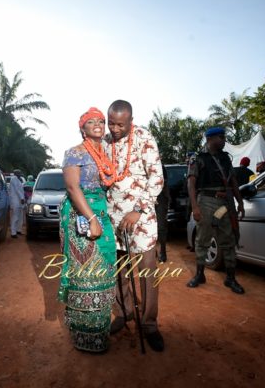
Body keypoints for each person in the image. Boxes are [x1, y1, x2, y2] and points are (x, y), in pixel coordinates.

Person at [104, 99, 165, 352]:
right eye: (111, 123)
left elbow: (157, 178)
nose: (115, 129)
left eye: (120, 124)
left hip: (142, 218)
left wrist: (137, 210)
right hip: (113, 219)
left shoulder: (145, 137)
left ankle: (149, 323)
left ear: (131, 120)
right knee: (120, 271)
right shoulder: (105, 142)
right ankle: (124, 312)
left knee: (147, 273)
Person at [58, 107, 116, 352]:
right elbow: (73, 188)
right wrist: (91, 217)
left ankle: (100, 333)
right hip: (80, 215)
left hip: (102, 211)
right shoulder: (74, 153)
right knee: (83, 274)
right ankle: (82, 336)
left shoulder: (107, 154)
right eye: (91, 122)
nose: (97, 124)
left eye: (101, 121)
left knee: (105, 269)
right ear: (82, 128)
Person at [187, 126, 246, 294]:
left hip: (225, 203)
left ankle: (230, 278)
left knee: (228, 239)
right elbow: (191, 183)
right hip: (205, 200)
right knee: (203, 238)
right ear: (210, 139)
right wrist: (195, 207)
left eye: (223, 137)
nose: (224, 140)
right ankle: (200, 275)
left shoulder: (226, 158)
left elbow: (233, 181)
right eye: (221, 137)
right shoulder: (198, 158)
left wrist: (239, 202)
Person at [155, 164, 170, 263]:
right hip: (146, 198)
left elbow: (165, 183)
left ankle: (163, 251)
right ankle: (152, 252)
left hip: (160, 198)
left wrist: (167, 198)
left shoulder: (160, 165)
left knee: (161, 227)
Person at [8, 170, 25, 238]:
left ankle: (18, 230)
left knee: (20, 216)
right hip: (16, 200)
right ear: (15, 173)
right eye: (18, 173)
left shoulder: (18, 179)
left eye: (20, 173)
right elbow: (17, 189)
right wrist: (22, 198)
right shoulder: (14, 178)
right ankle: (13, 233)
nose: (20, 174)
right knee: (15, 216)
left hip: (19, 201)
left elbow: (20, 189)